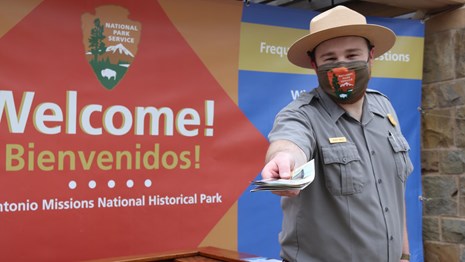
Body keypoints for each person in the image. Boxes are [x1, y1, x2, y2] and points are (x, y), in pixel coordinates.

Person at [261, 5, 414, 262]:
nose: (342, 66)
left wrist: (404, 255)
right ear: (314, 64)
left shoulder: (385, 108)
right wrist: (284, 161)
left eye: (352, 54)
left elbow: (394, 195)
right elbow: (289, 143)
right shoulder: (301, 114)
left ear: (371, 56)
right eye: (330, 59)